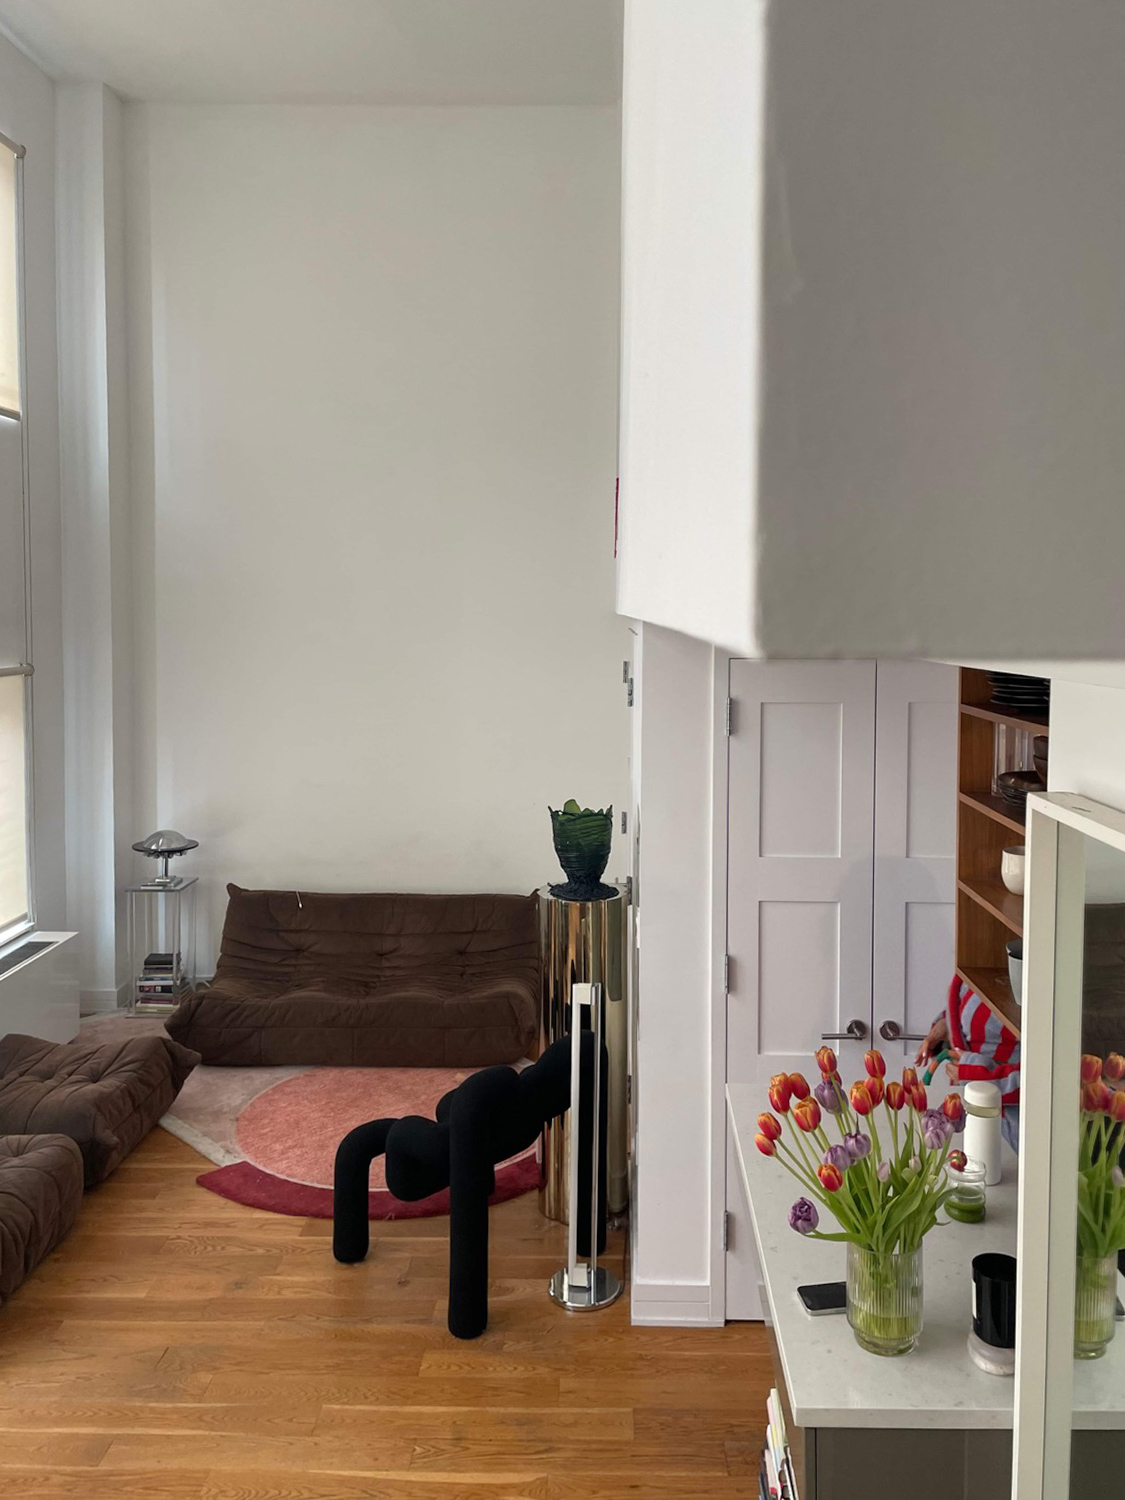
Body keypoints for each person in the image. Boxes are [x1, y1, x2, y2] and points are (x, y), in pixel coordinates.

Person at [916, 975, 1021, 1151]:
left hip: (1011, 1136)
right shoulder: (977, 960)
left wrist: (976, 1074)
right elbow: (970, 1013)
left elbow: (1044, 1079)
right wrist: (945, 1027)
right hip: (975, 1120)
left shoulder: (1039, 984)